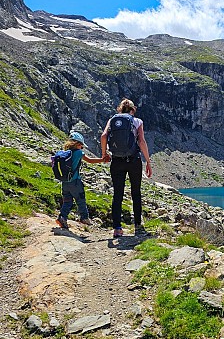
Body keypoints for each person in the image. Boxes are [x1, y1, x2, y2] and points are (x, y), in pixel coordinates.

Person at [101, 98, 152, 237]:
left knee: (118, 194)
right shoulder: (137, 121)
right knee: (136, 193)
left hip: (117, 161)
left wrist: (104, 154)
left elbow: (104, 136)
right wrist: (148, 161)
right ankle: (137, 226)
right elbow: (141, 141)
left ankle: (117, 228)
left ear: (120, 109)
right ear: (132, 110)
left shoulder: (112, 120)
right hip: (133, 160)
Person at [56, 131, 109, 229]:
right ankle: (84, 218)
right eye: (81, 145)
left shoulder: (65, 153)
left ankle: (62, 217)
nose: (82, 147)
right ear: (77, 144)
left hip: (65, 182)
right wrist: (102, 160)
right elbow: (89, 160)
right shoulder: (79, 153)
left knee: (67, 201)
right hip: (75, 182)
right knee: (80, 200)